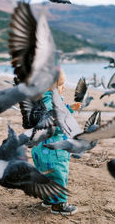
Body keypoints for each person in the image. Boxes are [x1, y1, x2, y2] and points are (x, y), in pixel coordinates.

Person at [31, 70, 80, 216]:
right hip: (53, 150)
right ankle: (58, 205)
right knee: (58, 174)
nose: (64, 88)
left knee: (45, 175)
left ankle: (48, 199)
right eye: (61, 85)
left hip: (40, 149)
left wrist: (69, 108)